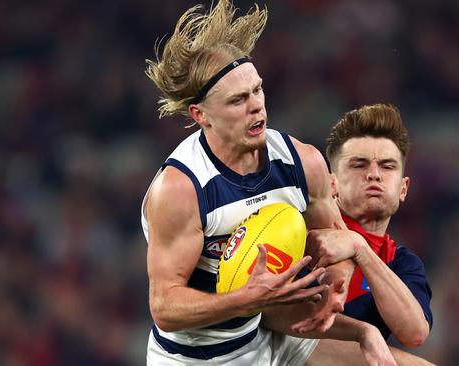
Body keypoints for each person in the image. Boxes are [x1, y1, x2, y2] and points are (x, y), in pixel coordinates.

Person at [141, 1, 395, 365]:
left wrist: (339, 283)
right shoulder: (181, 188)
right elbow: (165, 307)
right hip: (197, 358)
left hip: (274, 334)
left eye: (257, 91)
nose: (256, 106)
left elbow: (336, 241)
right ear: (201, 115)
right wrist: (248, 299)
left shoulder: (302, 162)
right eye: (238, 100)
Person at [307, 104, 434, 365]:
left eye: (388, 167)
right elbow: (288, 331)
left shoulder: (402, 264)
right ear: (332, 184)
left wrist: (360, 249)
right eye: (359, 165)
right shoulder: (303, 234)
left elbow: (415, 333)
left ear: (403, 188)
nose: (374, 174)